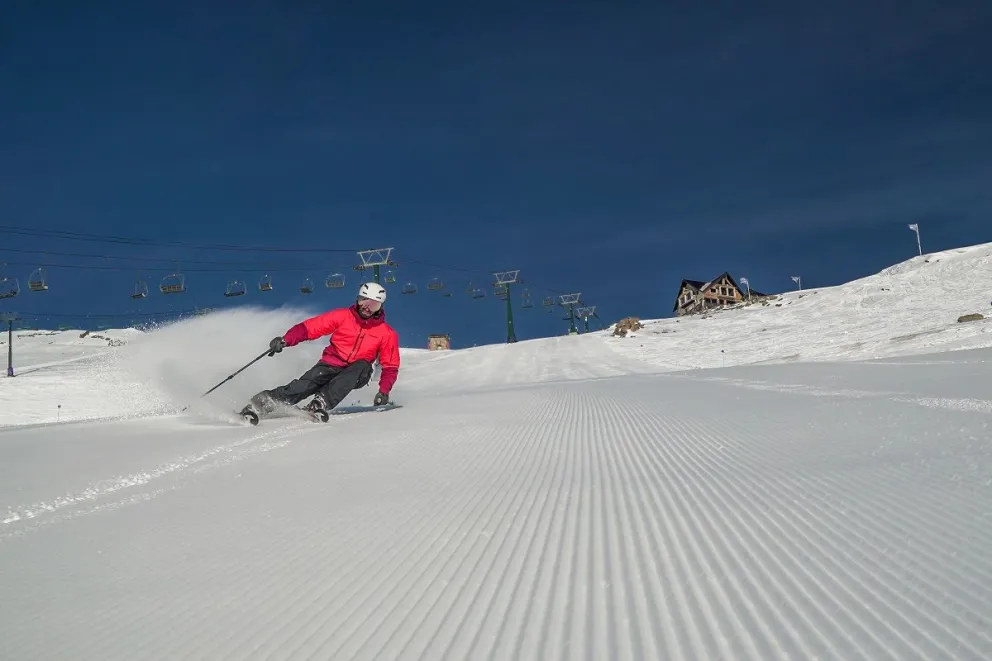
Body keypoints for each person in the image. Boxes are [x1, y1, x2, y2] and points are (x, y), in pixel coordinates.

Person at [246, 282, 400, 417]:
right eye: (364, 301)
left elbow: (390, 366)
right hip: (330, 364)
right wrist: (286, 340)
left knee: (361, 365)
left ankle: (320, 402)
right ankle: (261, 403)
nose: (367, 308)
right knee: (303, 386)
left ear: (380, 307)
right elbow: (311, 328)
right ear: (358, 300)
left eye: (374, 305)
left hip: (357, 372)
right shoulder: (343, 316)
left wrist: (383, 391)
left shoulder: (386, 333)